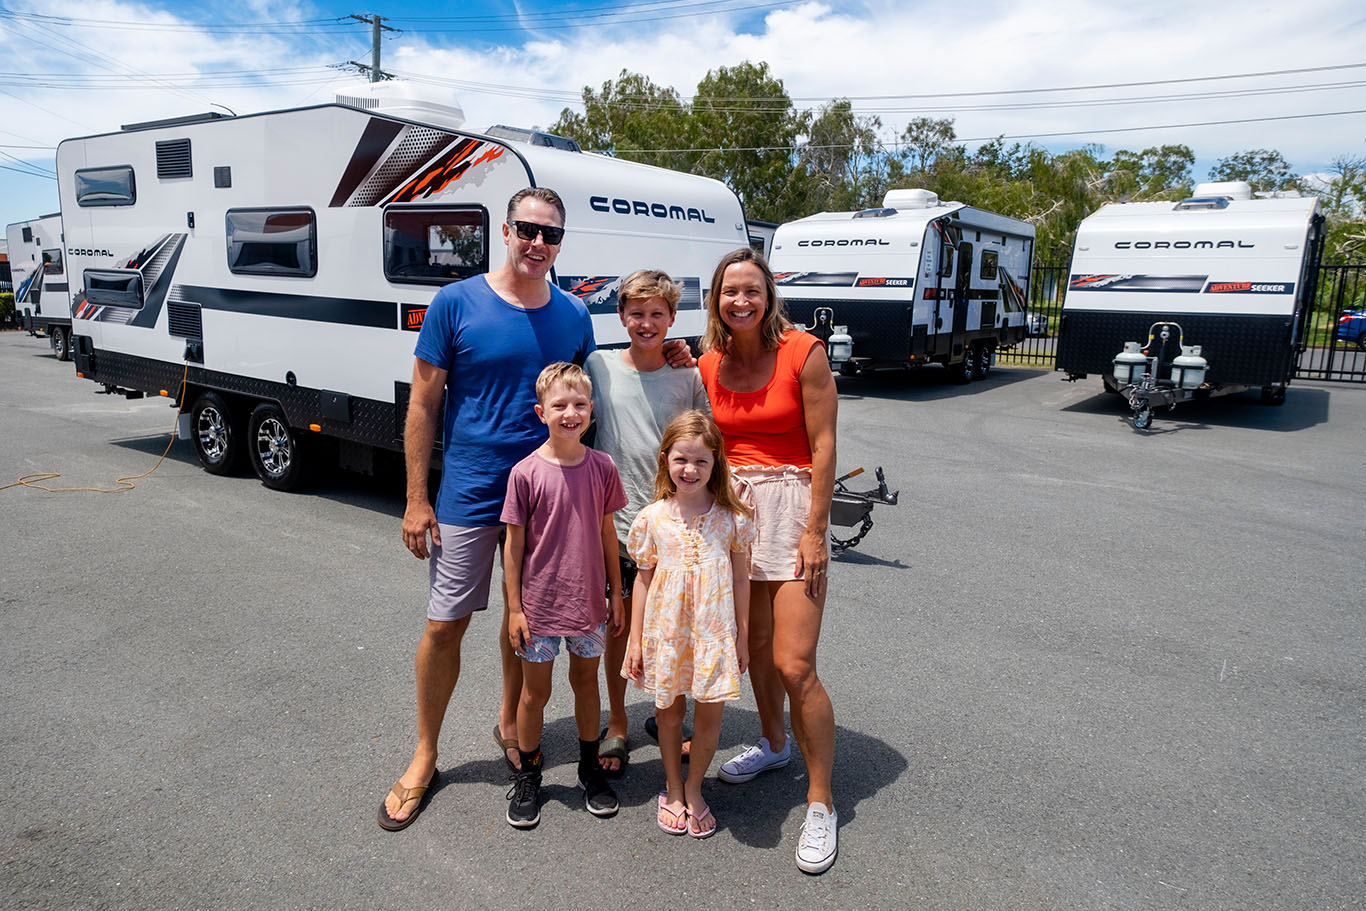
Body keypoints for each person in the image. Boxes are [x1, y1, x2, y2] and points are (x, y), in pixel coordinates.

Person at [379, 187, 595, 831]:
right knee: (446, 625)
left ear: (561, 244)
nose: (538, 243)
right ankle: (425, 753)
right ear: (505, 230)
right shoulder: (455, 303)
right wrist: (417, 499)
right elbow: (422, 405)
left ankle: (510, 723)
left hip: (546, 499)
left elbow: (583, 396)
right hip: (470, 494)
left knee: (521, 623)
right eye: (528, 229)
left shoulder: (574, 315)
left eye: (551, 235)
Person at [696, 247, 841, 874]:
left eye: (751, 290)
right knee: (753, 649)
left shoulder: (803, 353)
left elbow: (826, 442)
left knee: (793, 662)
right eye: (730, 292)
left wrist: (816, 529)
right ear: (717, 300)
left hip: (792, 508)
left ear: (768, 294)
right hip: (735, 512)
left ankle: (821, 801)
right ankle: (776, 743)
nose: (741, 301)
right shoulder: (707, 362)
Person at [584, 270, 710, 776]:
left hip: (674, 527)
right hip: (615, 524)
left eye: (657, 313)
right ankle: (616, 721)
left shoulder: (689, 376)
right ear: (621, 316)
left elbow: (706, 448)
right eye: (636, 313)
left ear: (673, 319)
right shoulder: (599, 365)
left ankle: (669, 713)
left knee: (675, 626)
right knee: (619, 625)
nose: (646, 323)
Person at [501, 362, 627, 828]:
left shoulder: (602, 467)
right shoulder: (525, 473)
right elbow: (513, 547)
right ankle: (530, 773)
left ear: (591, 411)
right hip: (538, 608)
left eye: (579, 405)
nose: (570, 413)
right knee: (535, 695)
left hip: (590, 605)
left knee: (586, 684)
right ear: (541, 412)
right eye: (559, 405)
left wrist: (617, 594)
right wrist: (514, 608)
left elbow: (608, 533)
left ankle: (589, 769)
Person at [623, 411, 753, 838]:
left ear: (716, 463)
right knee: (669, 714)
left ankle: (695, 788)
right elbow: (642, 581)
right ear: (665, 459)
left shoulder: (732, 517)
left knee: (711, 719)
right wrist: (636, 641)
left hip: (714, 633)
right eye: (681, 459)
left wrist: (743, 636)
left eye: (701, 461)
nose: (690, 469)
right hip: (667, 633)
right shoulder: (652, 518)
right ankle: (673, 787)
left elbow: (739, 578)